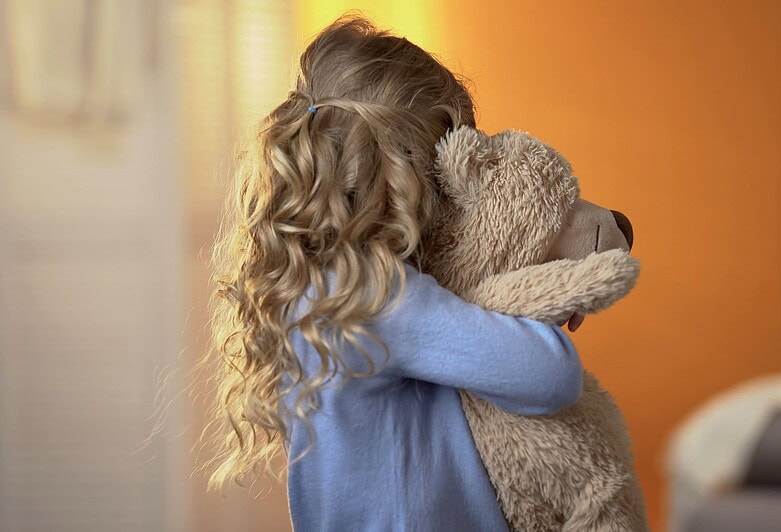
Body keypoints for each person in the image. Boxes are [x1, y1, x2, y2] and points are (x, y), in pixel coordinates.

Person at [203, 15, 584, 531]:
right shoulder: (380, 299)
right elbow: (551, 377)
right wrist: (535, 298)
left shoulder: (308, 286)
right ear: (411, 176)